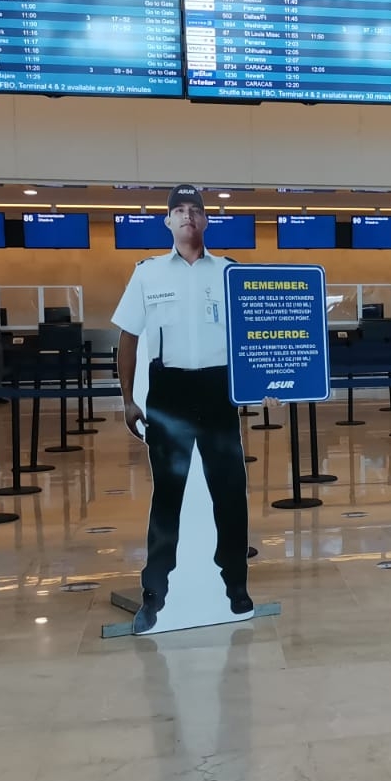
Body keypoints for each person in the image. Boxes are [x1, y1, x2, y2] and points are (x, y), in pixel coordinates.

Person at [112, 184, 252, 633]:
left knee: (229, 493)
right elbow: (128, 338)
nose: (187, 216)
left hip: (217, 390)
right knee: (167, 496)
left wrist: (267, 383)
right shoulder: (148, 274)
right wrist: (129, 398)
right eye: (179, 210)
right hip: (168, 392)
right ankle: (155, 593)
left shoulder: (230, 272)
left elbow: (251, 335)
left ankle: (235, 584)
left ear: (206, 221)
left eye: (195, 210)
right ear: (168, 222)